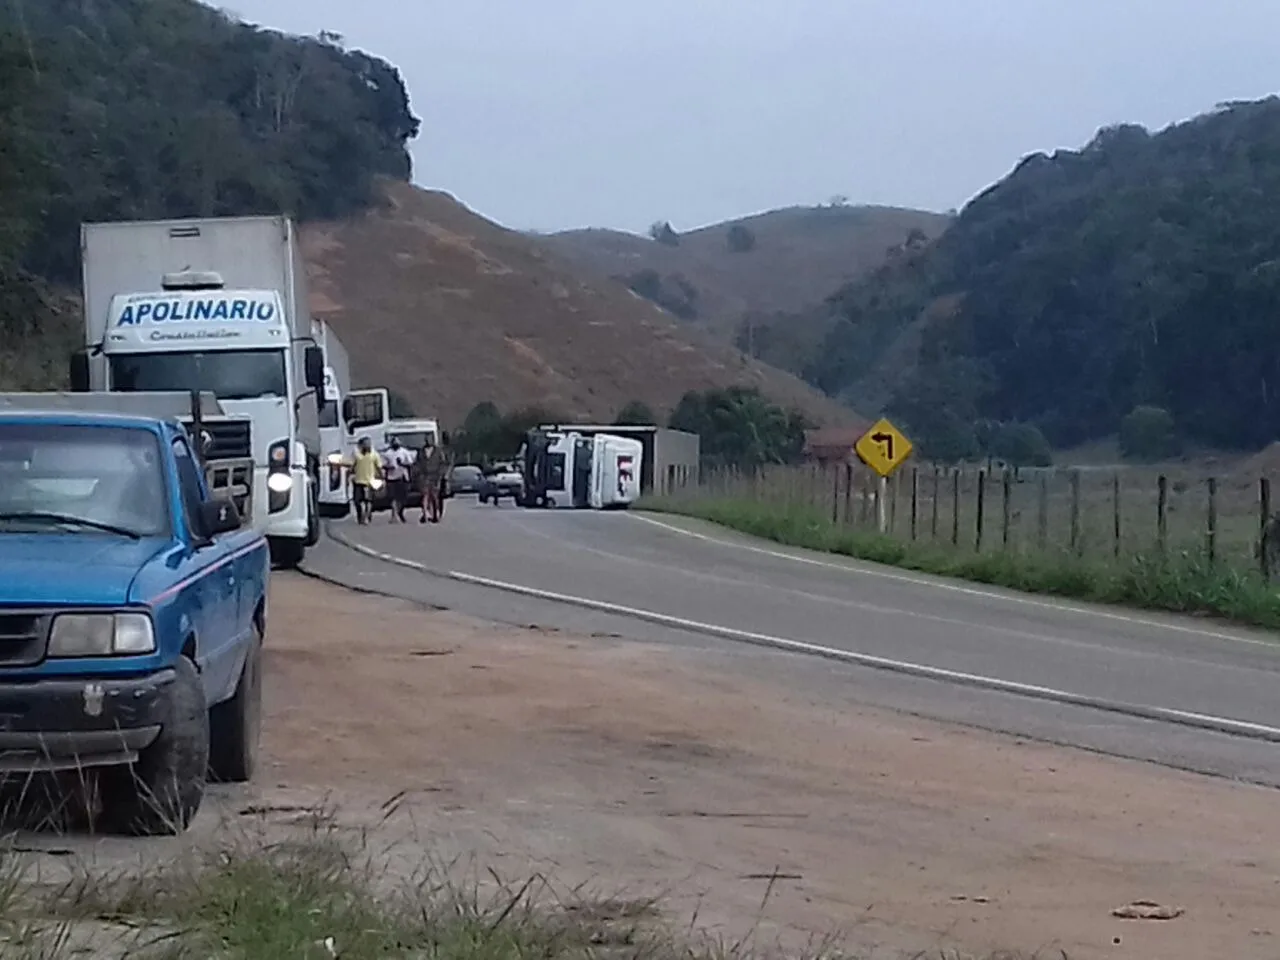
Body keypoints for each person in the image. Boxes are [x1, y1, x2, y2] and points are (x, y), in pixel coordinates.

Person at [413, 436, 447, 524]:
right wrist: (418, 473)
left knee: (434, 496)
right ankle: (425, 514)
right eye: (426, 440)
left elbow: (442, 463)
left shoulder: (438, 451)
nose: (428, 441)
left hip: (435, 476)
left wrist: (441, 474)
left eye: (429, 440)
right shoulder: (421, 451)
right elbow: (417, 463)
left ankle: (435, 514)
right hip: (424, 477)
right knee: (425, 495)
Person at [350, 437, 382, 525]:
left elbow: (379, 467)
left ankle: (367, 517)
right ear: (361, 445)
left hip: (369, 482)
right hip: (358, 481)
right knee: (357, 501)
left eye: (369, 443)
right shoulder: (356, 454)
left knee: (368, 500)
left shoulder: (374, 454)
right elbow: (352, 466)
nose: (368, 445)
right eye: (366, 444)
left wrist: (382, 478)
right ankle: (360, 516)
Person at [381, 436, 413, 523]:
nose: (396, 443)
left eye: (397, 442)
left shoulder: (404, 452)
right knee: (392, 497)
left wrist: (402, 463)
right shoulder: (387, 453)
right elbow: (383, 465)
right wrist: (388, 467)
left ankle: (400, 512)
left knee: (403, 498)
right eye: (394, 442)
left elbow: (410, 463)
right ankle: (393, 515)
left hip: (402, 477)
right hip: (391, 478)